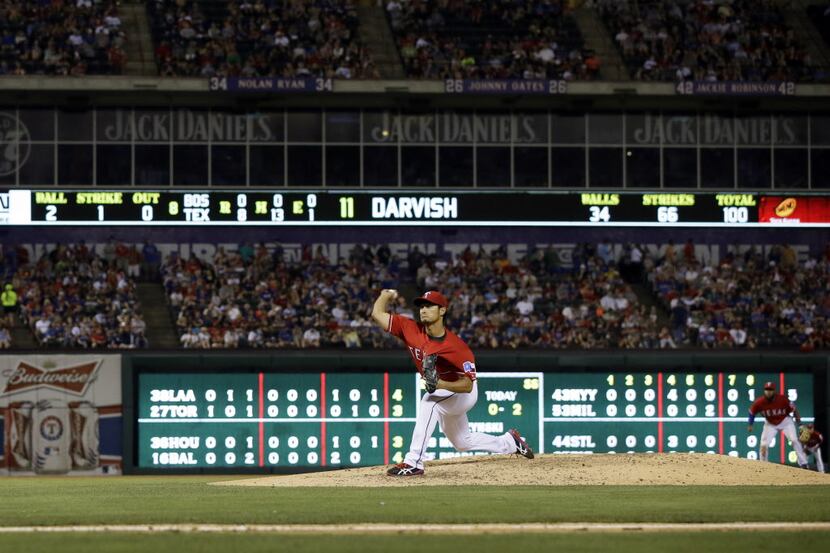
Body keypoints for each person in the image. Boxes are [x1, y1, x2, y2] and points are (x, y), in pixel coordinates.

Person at [371, 288, 533, 477]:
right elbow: (377, 314)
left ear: (442, 311)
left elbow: (468, 385)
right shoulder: (410, 329)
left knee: (429, 402)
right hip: (445, 393)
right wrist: (386, 295)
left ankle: (413, 461)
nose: (423, 310)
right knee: (462, 442)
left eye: (429, 306)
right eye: (422, 306)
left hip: (462, 393)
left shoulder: (456, 347)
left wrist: (439, 384)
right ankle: (509, 442)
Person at [747, 381, 807, 468]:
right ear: (764, 390)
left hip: (785, 421)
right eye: (767, 389)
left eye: (770, 389)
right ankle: (763, 466)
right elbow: (751, 412)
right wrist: (750, 424)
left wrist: (800, 425)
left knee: (794, 440)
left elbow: (794, 410)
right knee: (763, 445)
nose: (768, 391)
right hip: (770, 423)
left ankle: (803, 463)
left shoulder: (783, 399)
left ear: (774, 391)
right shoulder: (759, 402)